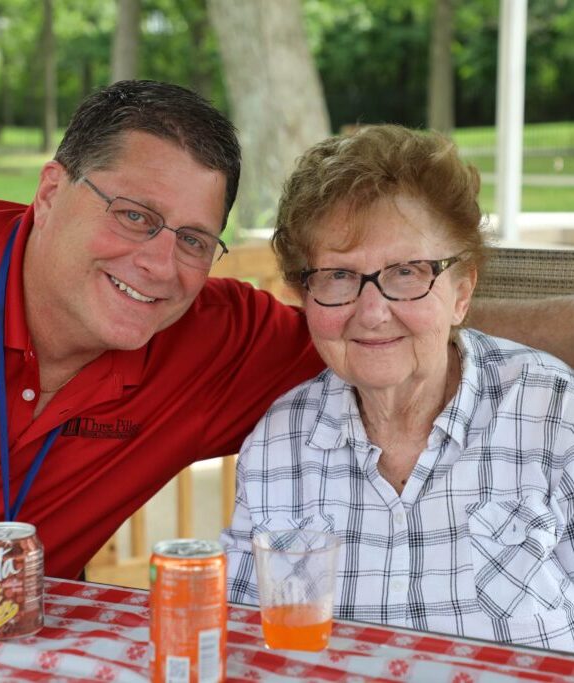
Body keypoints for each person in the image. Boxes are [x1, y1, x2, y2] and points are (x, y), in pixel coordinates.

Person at [0, 80, 324, 580]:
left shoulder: (219, 339)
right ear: (51, 192)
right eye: (135, 216)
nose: (161, 266)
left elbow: (380, 342)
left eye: (193, 240)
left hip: (25, 645)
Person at [222, 125, 574, 650]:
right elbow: (248, 643)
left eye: (407, 272)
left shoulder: (556, 414)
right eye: (338, 276)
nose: (372, 312)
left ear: (461, 293)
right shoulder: (279, 442)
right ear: (304, 294)